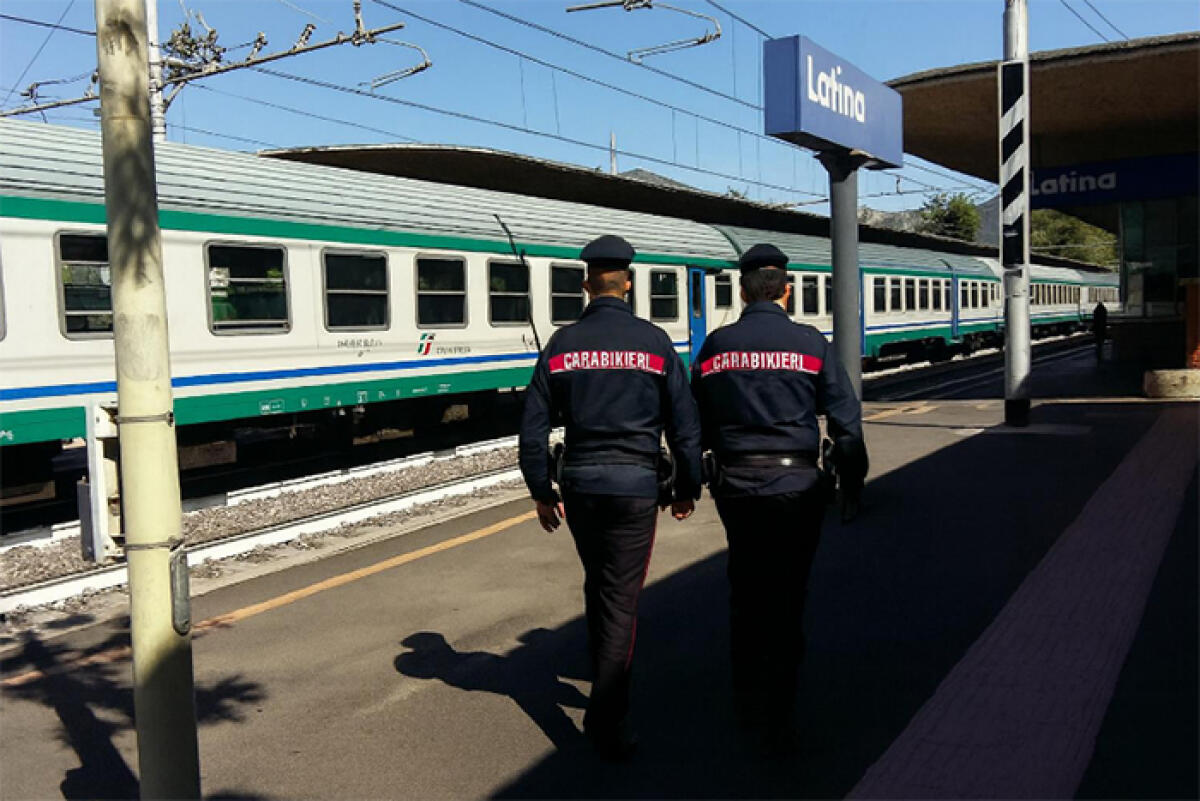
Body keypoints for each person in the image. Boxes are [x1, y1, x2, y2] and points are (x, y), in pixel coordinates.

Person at [518, 234, 702, 759]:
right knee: (621, 599)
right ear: (630, 283)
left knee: (598, 586)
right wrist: (687, 487)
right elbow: (686, 428)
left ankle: (603, 691)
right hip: (635, 488)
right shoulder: (655, 343)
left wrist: (541, 491)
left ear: (585, 286)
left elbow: (532, 428)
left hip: (579, 487)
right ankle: (607, 719)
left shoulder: (560, 344)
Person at [690, 243, 866, 753]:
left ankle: (746, 700)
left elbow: (694, 416)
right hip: (798, 487)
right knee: (789, 595)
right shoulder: (810, 343)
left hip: (737, 485)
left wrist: (691, 470)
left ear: (742, 290)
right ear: (786, 290)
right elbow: (845, 419)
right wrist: (851, 480)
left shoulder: (718, 345)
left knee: (745, 589)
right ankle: (782, 710)